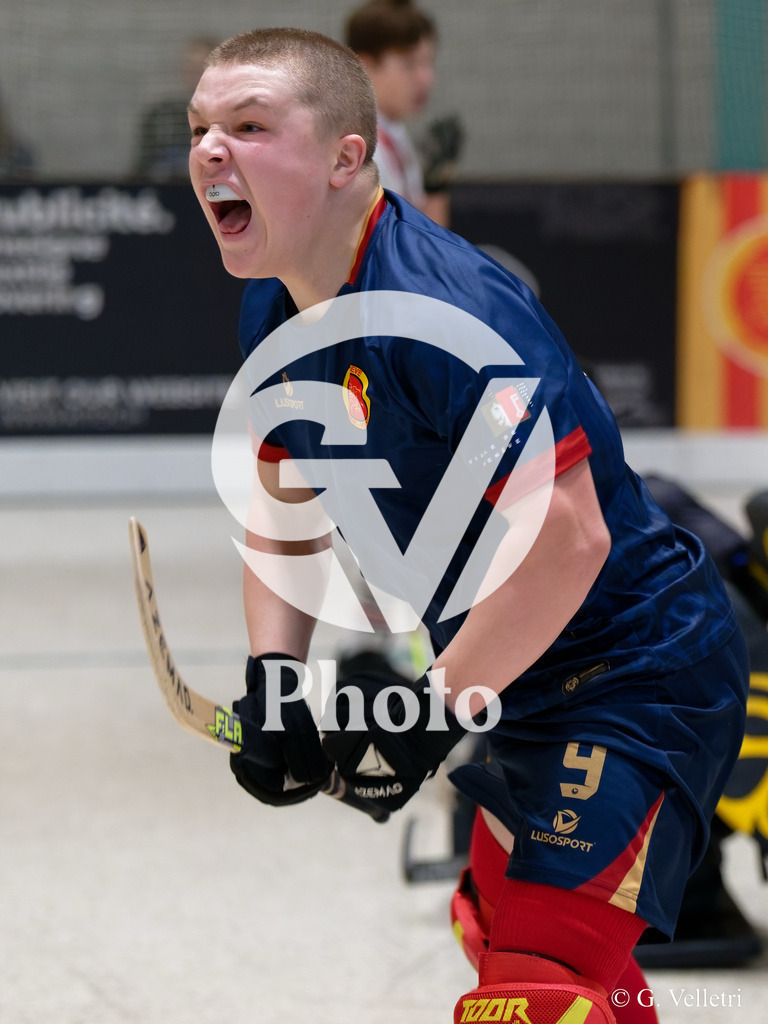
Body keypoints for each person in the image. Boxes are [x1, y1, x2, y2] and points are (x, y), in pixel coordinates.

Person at [187, 28, 749, 1024]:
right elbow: (284, 505)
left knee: (534, 982)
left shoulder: (449, 309)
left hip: (634, 669)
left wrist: (432, 707)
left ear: (345, 159)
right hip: (518, 676)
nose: (208, 151)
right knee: (511, 941)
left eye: (249, 126)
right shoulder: (275, 310)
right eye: (200, 128)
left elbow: (568, 541)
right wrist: (275, 678)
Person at [345, 0, 462, 227]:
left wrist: (434, 187)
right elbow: (416, 251)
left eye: (428, 62)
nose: (426, 78)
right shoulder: (359, 146)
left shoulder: (393, 130)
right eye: (409, 64)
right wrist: (436, 190)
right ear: (364, 65)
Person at [132, 36, 217, 181]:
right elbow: (142, 167)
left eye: (200, 67)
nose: (194, 74)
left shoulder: (229, 116)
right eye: (190, 66)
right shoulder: (162, 116)